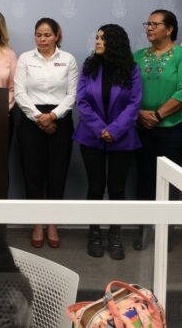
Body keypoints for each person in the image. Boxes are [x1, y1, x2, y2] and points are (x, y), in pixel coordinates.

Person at [73, 24, 141, 261]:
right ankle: (94, 233)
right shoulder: (89, 66)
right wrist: (100, 129)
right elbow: (81, 101)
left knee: (117, 188)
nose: (97, 41)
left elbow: (134, 103)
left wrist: (113, 130)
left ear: (115, 42)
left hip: (122, 138)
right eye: (97, 37)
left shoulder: (131, 69)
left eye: (102, 38)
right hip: (91, 136)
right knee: (95, 186)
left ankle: (115, 234)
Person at [132, 9, 182, 250]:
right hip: (141, 127)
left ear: (169, 29)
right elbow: (127, 91)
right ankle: (144, 231)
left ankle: (165, 234)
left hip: (173, 128)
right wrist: (139, 113)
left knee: (169, 182)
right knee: (144, 179)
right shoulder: (138, 56)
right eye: (147, 23)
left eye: (155, 24)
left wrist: (158, 115)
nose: (149, 28)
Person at [13, 17, 78, 249]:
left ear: (57, 36)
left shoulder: (68, 59)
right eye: (38, 35)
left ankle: (52, 223)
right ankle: (37, 223)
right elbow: (19, 93)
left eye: (47, 35)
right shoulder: (25, 59)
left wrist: (53, 116)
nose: (42, 39)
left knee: (57, 173)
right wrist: (39, 117)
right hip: (31, 119)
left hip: (60, 120)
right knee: (32, 173)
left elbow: (72, 94)